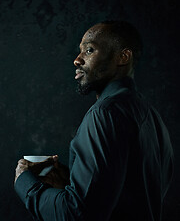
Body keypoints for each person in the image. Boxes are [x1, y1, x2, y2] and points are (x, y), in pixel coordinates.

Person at [15, 20, 174, 221]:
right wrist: (73, 180)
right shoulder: (152, 117)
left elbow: (76, 214)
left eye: (89, 50)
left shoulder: (104, 114)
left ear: (123, 57)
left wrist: (25, 183)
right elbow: (128, 197)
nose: (77, 60)